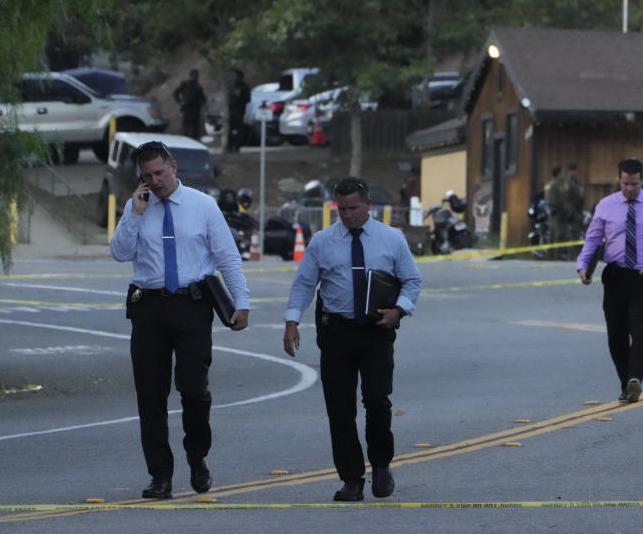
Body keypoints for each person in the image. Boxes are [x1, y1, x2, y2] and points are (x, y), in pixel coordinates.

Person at [110, 140, 250, 500]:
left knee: (194, 389)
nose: (154, 181)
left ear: (173, 167)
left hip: (192, 306)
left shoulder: (202, 206)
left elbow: (228, 257)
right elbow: (119, 252)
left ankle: (197, 453)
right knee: (150, 396)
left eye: (159, 172)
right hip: (149, 307)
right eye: (146, 176)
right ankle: (160, 475)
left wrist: (242, 303)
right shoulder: (136, 207)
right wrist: (135, 214)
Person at [282, 177, 422, 501]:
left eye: (352, 208)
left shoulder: (391, 239)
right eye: (340, 209)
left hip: (376, 332)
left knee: (377, 401)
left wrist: (399, 311)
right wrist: (292, 321)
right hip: (337, 333)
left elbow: (412, 280)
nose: (346, 215)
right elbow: (304, 284)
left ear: (368, 205)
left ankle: (382, 465)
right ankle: (351, 478)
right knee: (340, 409)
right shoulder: (322, 241)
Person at [576, 158, 643, 403]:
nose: (629, 189)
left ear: (642, 181)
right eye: (625, 184)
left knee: (639, 330)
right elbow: (593, 239)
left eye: (634, 184)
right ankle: (626, 383)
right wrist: (583, 265)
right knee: (616, 335)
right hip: (615, 276)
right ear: (619, 180)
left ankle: (635, 378)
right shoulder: (605, 206)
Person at [173, 69, 207, 140]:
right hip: (187, 109)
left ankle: (194, 143)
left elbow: (203, 97)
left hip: (196, 109)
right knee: (186, 128)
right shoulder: (185, 84)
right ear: (190, 75)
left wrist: (202, 104)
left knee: (195, 130)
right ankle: (184, 142)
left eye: (197, 76)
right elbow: (175, 93)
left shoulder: (198, 86)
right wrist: (180, 102)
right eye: (194, 75)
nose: (196, 77)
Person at [227, 69, 250, 152]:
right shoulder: (231, 86)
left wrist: (240, 97)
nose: (235, 78)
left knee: (239, 129)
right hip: (231, 109)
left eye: (236, 76)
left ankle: (237, 146)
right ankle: (229, 146)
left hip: (239, 110)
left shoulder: (244, 87)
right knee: (230, 129)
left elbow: (248, 99)